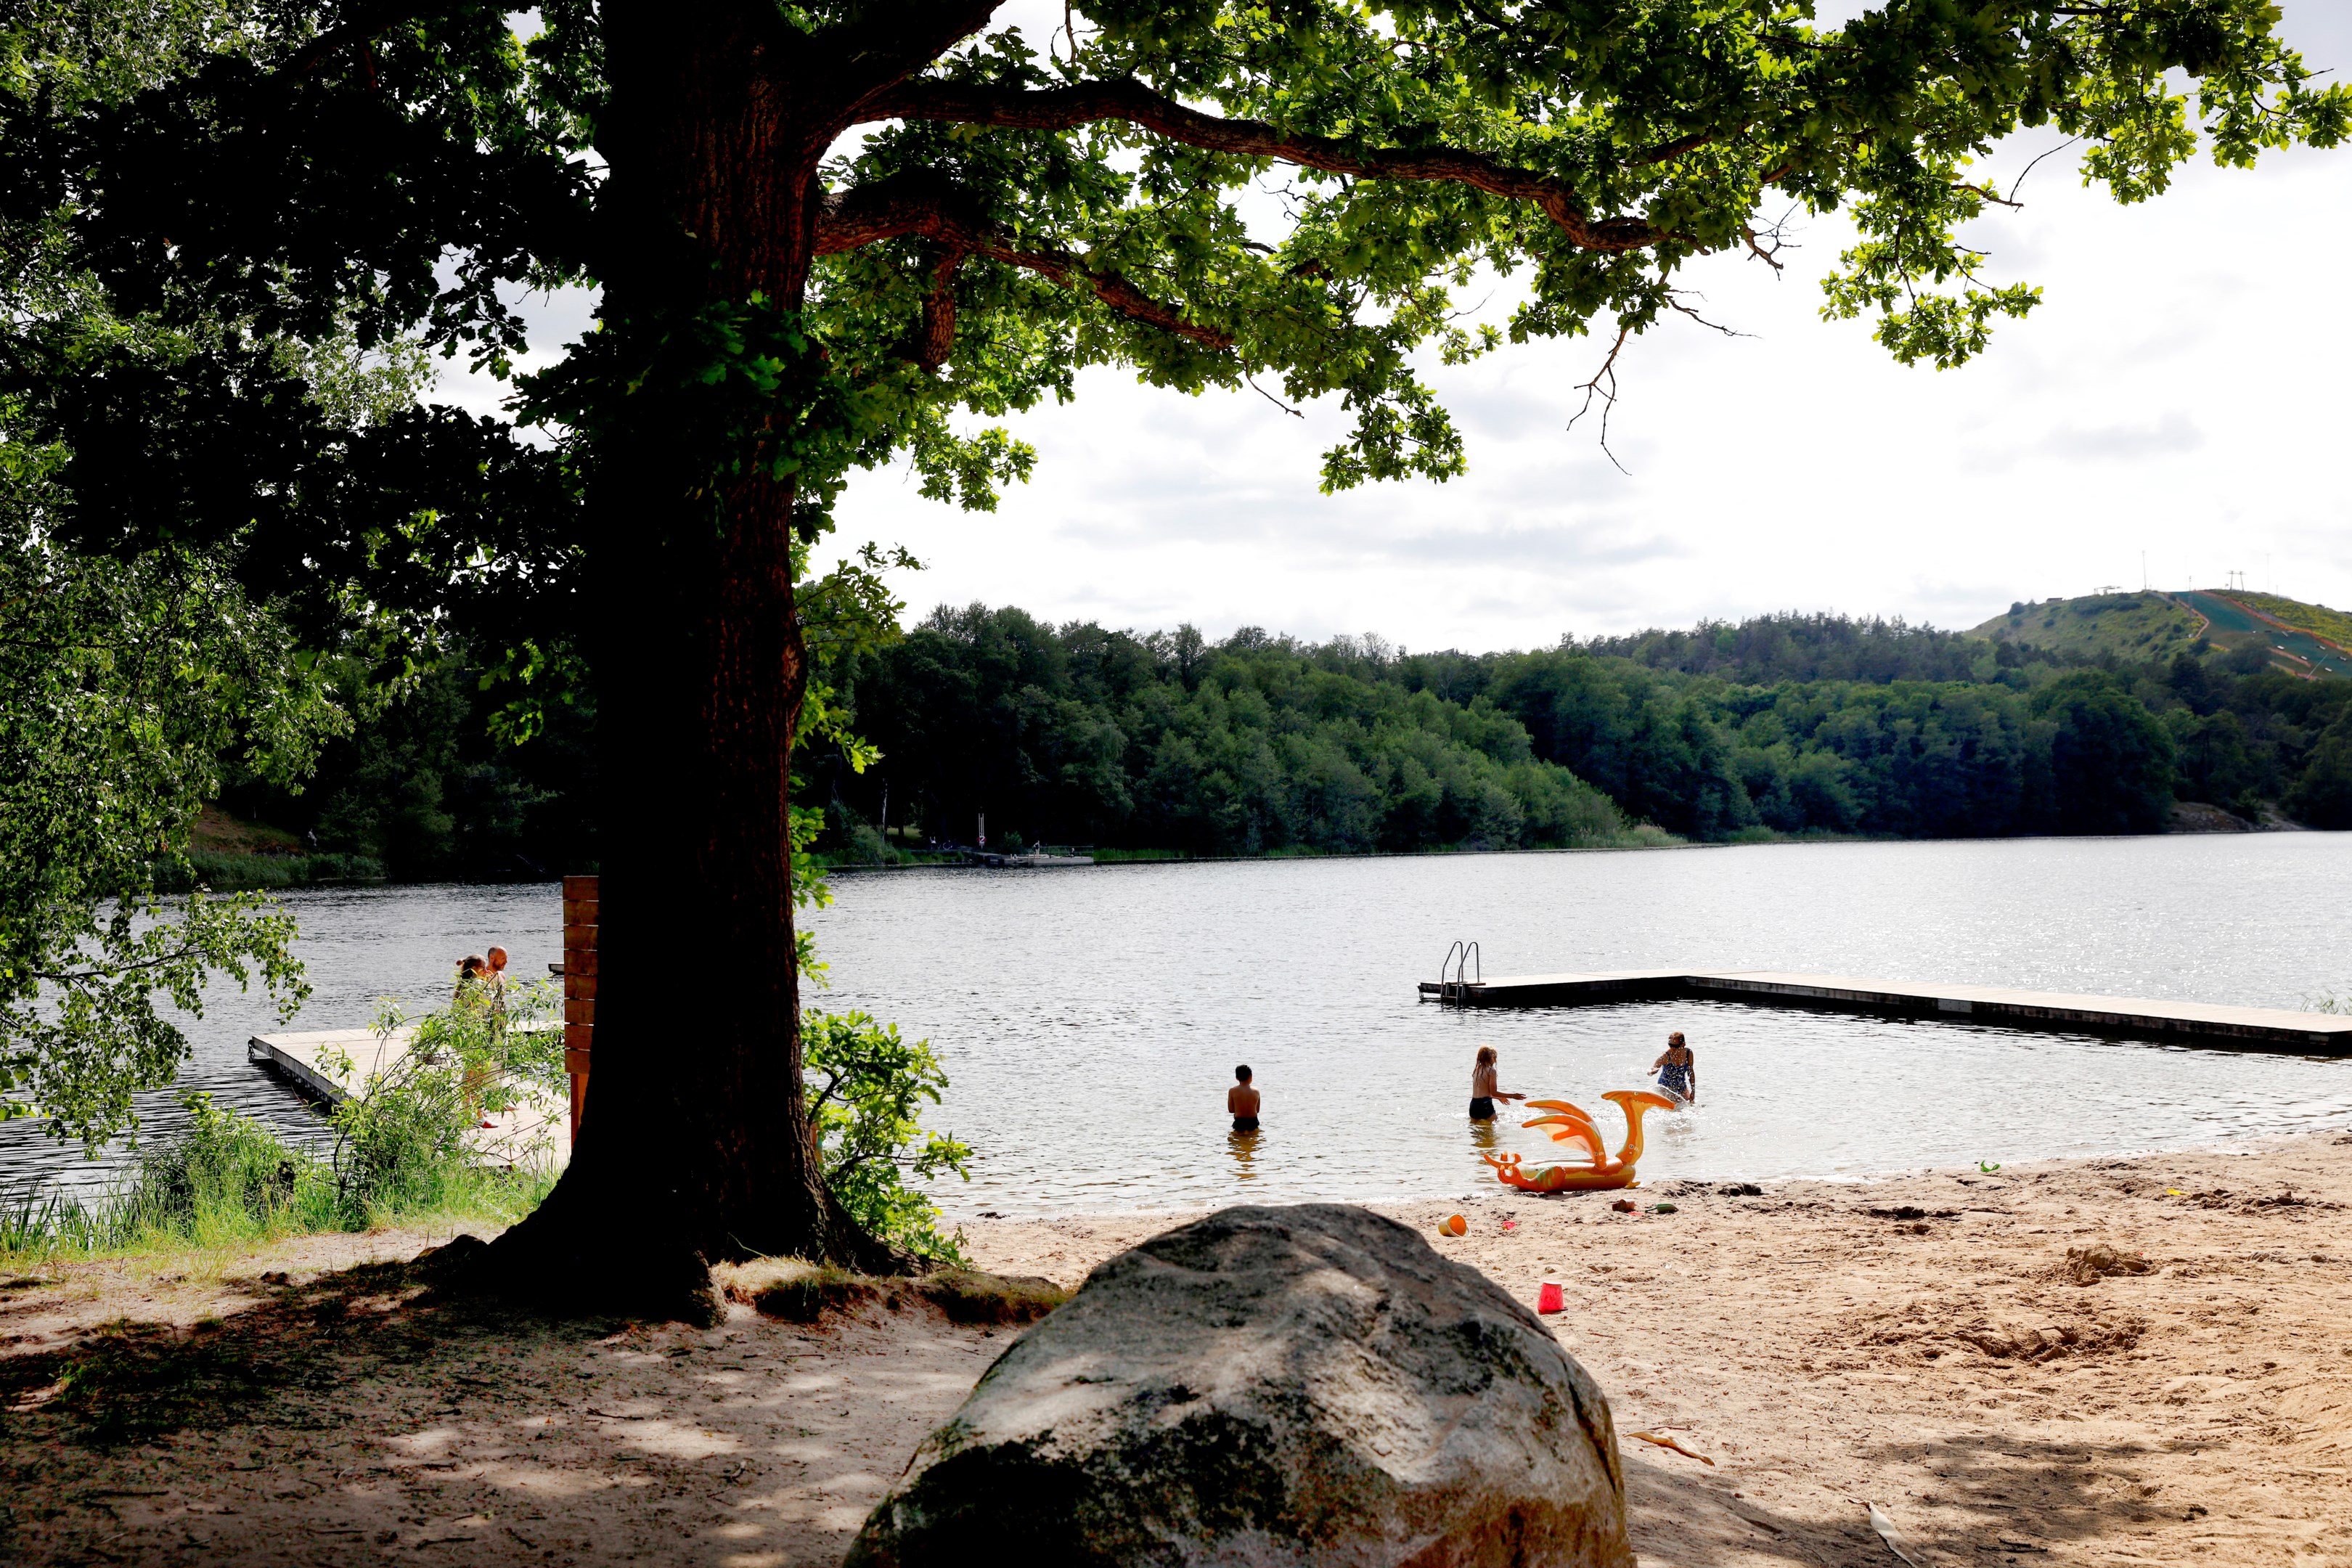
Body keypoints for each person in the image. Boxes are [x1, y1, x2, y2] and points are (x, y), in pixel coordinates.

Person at [1470, 1045, 1523, 1122]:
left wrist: (1499, 1098)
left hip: (1473, 1105)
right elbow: (1493, 1092)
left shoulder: (1477, 1071)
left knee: (1475, 1131)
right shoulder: (1491, 1071)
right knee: (1493, 1130)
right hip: (1485, 1105)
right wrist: (1513, 1096)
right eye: (1495, 1058)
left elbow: (1482, 1094)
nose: (1495, 1061)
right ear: (1491, 1057)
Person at [1651, 1031, 1697, 1105]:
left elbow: (1690, 1072)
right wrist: (1651, 1071)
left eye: (1675, 1046)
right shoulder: (1665, 1056)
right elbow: (1653, 1068)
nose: (1672, 1048)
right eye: (1670, 1045)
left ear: (1683, 1044)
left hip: (1681, 1086)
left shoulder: (1688, 1053)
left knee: (1691, 1104)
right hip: (1665, 1087)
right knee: (1680, 1104)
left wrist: (1693, 1090)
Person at [1228, 1065, 1261, 1132]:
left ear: (1237, 1078)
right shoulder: (1256, 1091)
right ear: (1251, 1077)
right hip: (1253, 1122)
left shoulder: (1232, 1090)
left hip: (1239, 1122)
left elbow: (1231, 1110)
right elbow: (1257, 1110)